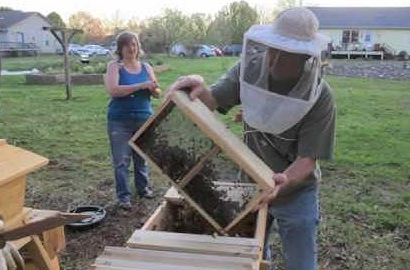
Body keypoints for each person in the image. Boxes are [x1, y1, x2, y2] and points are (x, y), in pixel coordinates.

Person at [169, 7, 335, 270]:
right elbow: (211, 99)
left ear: (305, 56)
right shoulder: (249, 68)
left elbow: (307, 160)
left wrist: (284, 181)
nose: (275, 58)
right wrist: (197, 85)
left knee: (302, 264)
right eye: (273, 47)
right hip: (249, 185)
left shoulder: (320, 96)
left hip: (296, 191)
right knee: (253, 256)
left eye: (287, 52)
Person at [105, 31, 161, 210]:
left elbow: (157, 91)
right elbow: (114, 90)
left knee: (141, 158)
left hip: (143, 119)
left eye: (135, 44)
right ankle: (124, 197)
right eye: (127, 44)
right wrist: (141, 85)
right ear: (120, 48)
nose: (131, 48)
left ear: (138, 47)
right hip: (119, 121)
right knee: (121, 161)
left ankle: (143, 189)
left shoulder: (146, 67)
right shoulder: (115, 67)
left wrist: (154, 90)